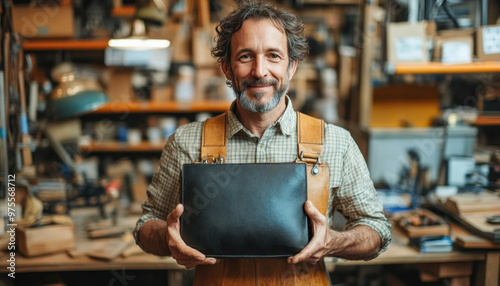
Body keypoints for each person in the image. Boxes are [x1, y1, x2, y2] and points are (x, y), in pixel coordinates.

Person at [134, 0, 391, 280]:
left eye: (273, 56)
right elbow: (147, 225)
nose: (259, 71)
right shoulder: (186, 142)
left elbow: (376, 229)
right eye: (245, 56)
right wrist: (168, 238)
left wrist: (331, 241)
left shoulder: (335, 143)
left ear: (291, 67)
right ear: (226, 68)